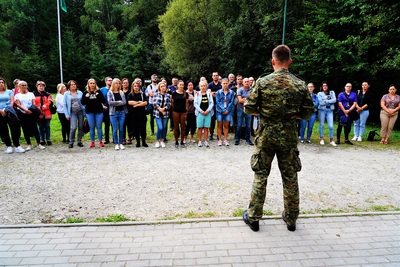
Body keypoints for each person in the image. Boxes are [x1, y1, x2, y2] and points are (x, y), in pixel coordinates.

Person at [242, 44, 313, 232]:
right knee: (290, 178)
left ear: (273, 61)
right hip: (288, 139)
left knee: (260, 176)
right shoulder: (300, 84)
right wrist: (290, 116)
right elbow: (307, 113)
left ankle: (254, 218)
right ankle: (291, 219)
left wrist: (266, 113)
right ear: (289, 61)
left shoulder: (263, 82)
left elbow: (248, 107)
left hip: (266, 137)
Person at [14, 81, 45, 151]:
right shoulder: (17, 95)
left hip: (31, 113)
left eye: (25, 85)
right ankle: (29, 144)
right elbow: (18, 104)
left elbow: (33, 103)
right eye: (22, 85)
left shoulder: (31, 94)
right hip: (22, 114)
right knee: (25, 129)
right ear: (19, 86)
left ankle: (38, 143)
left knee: (35, 128)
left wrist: (30, 110)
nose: (24, 87)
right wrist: (25, 110)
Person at [0, 77, 24, 153]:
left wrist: (6, 109)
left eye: (2, 82)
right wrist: (1, 111)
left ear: (4, 83)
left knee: (14, 128)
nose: (1, 84)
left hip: (9, 112)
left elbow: (12, 101)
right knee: (4, 130)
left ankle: (17, 145)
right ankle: (8, 146)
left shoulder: (9, 91)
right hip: (0, 113)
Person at [81, 78, 106, 148]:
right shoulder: (85, 92)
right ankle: (92, 142)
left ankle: (100, 141)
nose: (92, 84)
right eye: (91, 83)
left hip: (99, 112)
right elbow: (82, 102)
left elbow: (103, 101)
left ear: (95, 84)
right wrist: (86, 97)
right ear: (88, 84)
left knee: (99, 127)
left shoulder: (99, 91)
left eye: (93, 83)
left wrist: (98, 95)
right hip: (89, 112)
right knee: (92, 127)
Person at [64, 80, 85, 148]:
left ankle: (79, 141)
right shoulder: (66, 94)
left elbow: (83, 101)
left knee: (80, 126)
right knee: (73, 127)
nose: (73, 85)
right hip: (72, 112)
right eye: (71, 84)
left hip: (80, 111)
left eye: (74, 84)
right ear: (69, 86)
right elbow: (64, 104)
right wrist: (67, 114)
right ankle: (71, 141)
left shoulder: (80, 92)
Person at [108, 78, 128, 150]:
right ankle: (116, 143)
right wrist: (119, 102)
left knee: (121, 128)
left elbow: (124, 102)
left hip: (122, 113)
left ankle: (121, 143)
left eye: (119, 83)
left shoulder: (121, 92)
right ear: (113, 84)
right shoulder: (110, 92)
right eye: (116, 83)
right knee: (115, 129)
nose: (118, 84)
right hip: (113, 113)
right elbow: (110, 102)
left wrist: (116, 103)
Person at [127, 81, 148, 148]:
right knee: (135, 129)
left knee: (143, 129)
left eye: (137, 86)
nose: (136, 87)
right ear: (132, 87)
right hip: (133, 115)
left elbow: (145, 103)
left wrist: (137, 105)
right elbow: (130, 102)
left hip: (142, 114)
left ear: (139, 87)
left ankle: (144, 142)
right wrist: (139, 103)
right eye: (135, 86)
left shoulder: (142, 94)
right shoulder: (130, 95)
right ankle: (138, 142)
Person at [194, 80, 214, 147]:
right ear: (199, 87)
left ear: (206, 86)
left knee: (206, 128)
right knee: (199, 127)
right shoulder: (197, 94)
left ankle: (206, 141)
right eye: (201, 86)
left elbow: (211, 103)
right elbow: (195, 103)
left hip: (207, 113)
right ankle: (199, 141)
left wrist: (208, 110)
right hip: (200, 113)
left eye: (204, 86)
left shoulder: (208, 93)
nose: (203, 87)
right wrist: (201, 111)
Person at [317, 81, 337, 146]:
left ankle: (331, 140)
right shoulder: (319, 93)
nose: (325, 87)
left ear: (328, 86)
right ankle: (321, 139)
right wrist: (330, 101)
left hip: (330, 111)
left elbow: (334, 100)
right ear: (322, 87)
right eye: (323, 86)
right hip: (322, 110)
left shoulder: (332, 92)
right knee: (321, 125)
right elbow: (320, 103)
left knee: (331, 126)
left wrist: (326, 101)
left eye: (326, 85)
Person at [215, 78, 235, 146]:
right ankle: (220, 139)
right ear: (221, 84)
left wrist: (227, 110)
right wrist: (223, 109)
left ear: (228, 84)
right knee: (219, 125)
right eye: (224, 83)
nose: (225, 85)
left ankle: (225, 139)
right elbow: (218, 102)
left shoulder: (231, 92)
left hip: (228, 111)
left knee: (226, 125)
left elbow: (231, 102)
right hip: (219, 111)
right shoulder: (218, 92)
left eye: (226, 83)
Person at [235, 78, 254, 146]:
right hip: (240, 109)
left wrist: (244, 99)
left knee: (248, 126)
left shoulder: (252, 90)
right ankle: (237, 139)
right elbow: (240, 100)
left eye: (248, 81)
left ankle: (248, 139)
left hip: (249, 110)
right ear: (243, 83)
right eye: (245, 82)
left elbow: (253, 100)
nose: (246, 83)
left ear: (249, 83)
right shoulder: (239, 90)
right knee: (239, 125)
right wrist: (247, 99)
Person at [33, 81, 53, 145]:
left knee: (47, 126)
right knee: (40, 126)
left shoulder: (48, 94)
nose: (41, 87)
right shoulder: (33, 94)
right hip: (38, 113)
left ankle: (48, 139)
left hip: (47, 112)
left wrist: (44, 107)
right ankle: (42, 139)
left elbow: (50, 102)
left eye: (43, 86)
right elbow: (33, 103)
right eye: (40, 86)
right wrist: (38, 109)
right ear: (37, 86)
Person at [153, 82, 171, 148]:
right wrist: (160, 109)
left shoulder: (168, 95)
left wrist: (164, 109)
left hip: (165, 113)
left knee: (164, 128)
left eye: (164, 86)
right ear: (159, 88)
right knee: (160, 128)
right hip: (157, 113)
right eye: (161, 86)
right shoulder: (156, 94)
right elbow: (154, 104)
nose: (163, 87)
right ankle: (157, 141)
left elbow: (169, 104)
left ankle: (162, 140)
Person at [172, 80, 188, 148]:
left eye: (182, 85)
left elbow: (186, 104)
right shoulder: (174, 93)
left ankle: (182, 141)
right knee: (176, 127)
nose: (181, 86)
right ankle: (176, 141)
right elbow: (173, 103)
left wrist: (185, 111)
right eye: (180, 84)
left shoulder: (185, 94)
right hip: (176, 112)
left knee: (183, 127)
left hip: (183, 112)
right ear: (177, 85)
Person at [207, 72, 222, 140]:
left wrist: (215, 93)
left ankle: (219, 135)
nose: (215, 77)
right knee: (212, 121)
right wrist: (216, 94)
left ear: (218, 76)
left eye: (216, 75)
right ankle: (211, 134)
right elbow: (210, 94)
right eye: (214, 75)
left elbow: (221, 94)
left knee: (219, 120)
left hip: (220, 105)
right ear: (212, 77)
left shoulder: (221, 84)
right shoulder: (210, 84)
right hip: (212, 105)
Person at [100, 77, 112, 144]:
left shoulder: (114, 89)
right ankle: (106, 139)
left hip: (113, 108)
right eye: (109, 80)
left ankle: (114, 138)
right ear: (105, 81)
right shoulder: (102, 89)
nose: (110, 81)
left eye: (111, 80)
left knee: (114, 124)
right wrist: (103, 106)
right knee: (106, 124)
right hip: (105, 108)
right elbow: (99, 99)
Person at [121, 78, 130, 145]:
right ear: (122, 84)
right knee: (122, 125)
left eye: (126, 83)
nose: (125, 84)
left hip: (130, 110)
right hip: (122, 110)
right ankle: (123, 138)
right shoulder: (120, 92)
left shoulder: (130, 92)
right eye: (124, 83)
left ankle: (130, 137)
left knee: (129, 125)